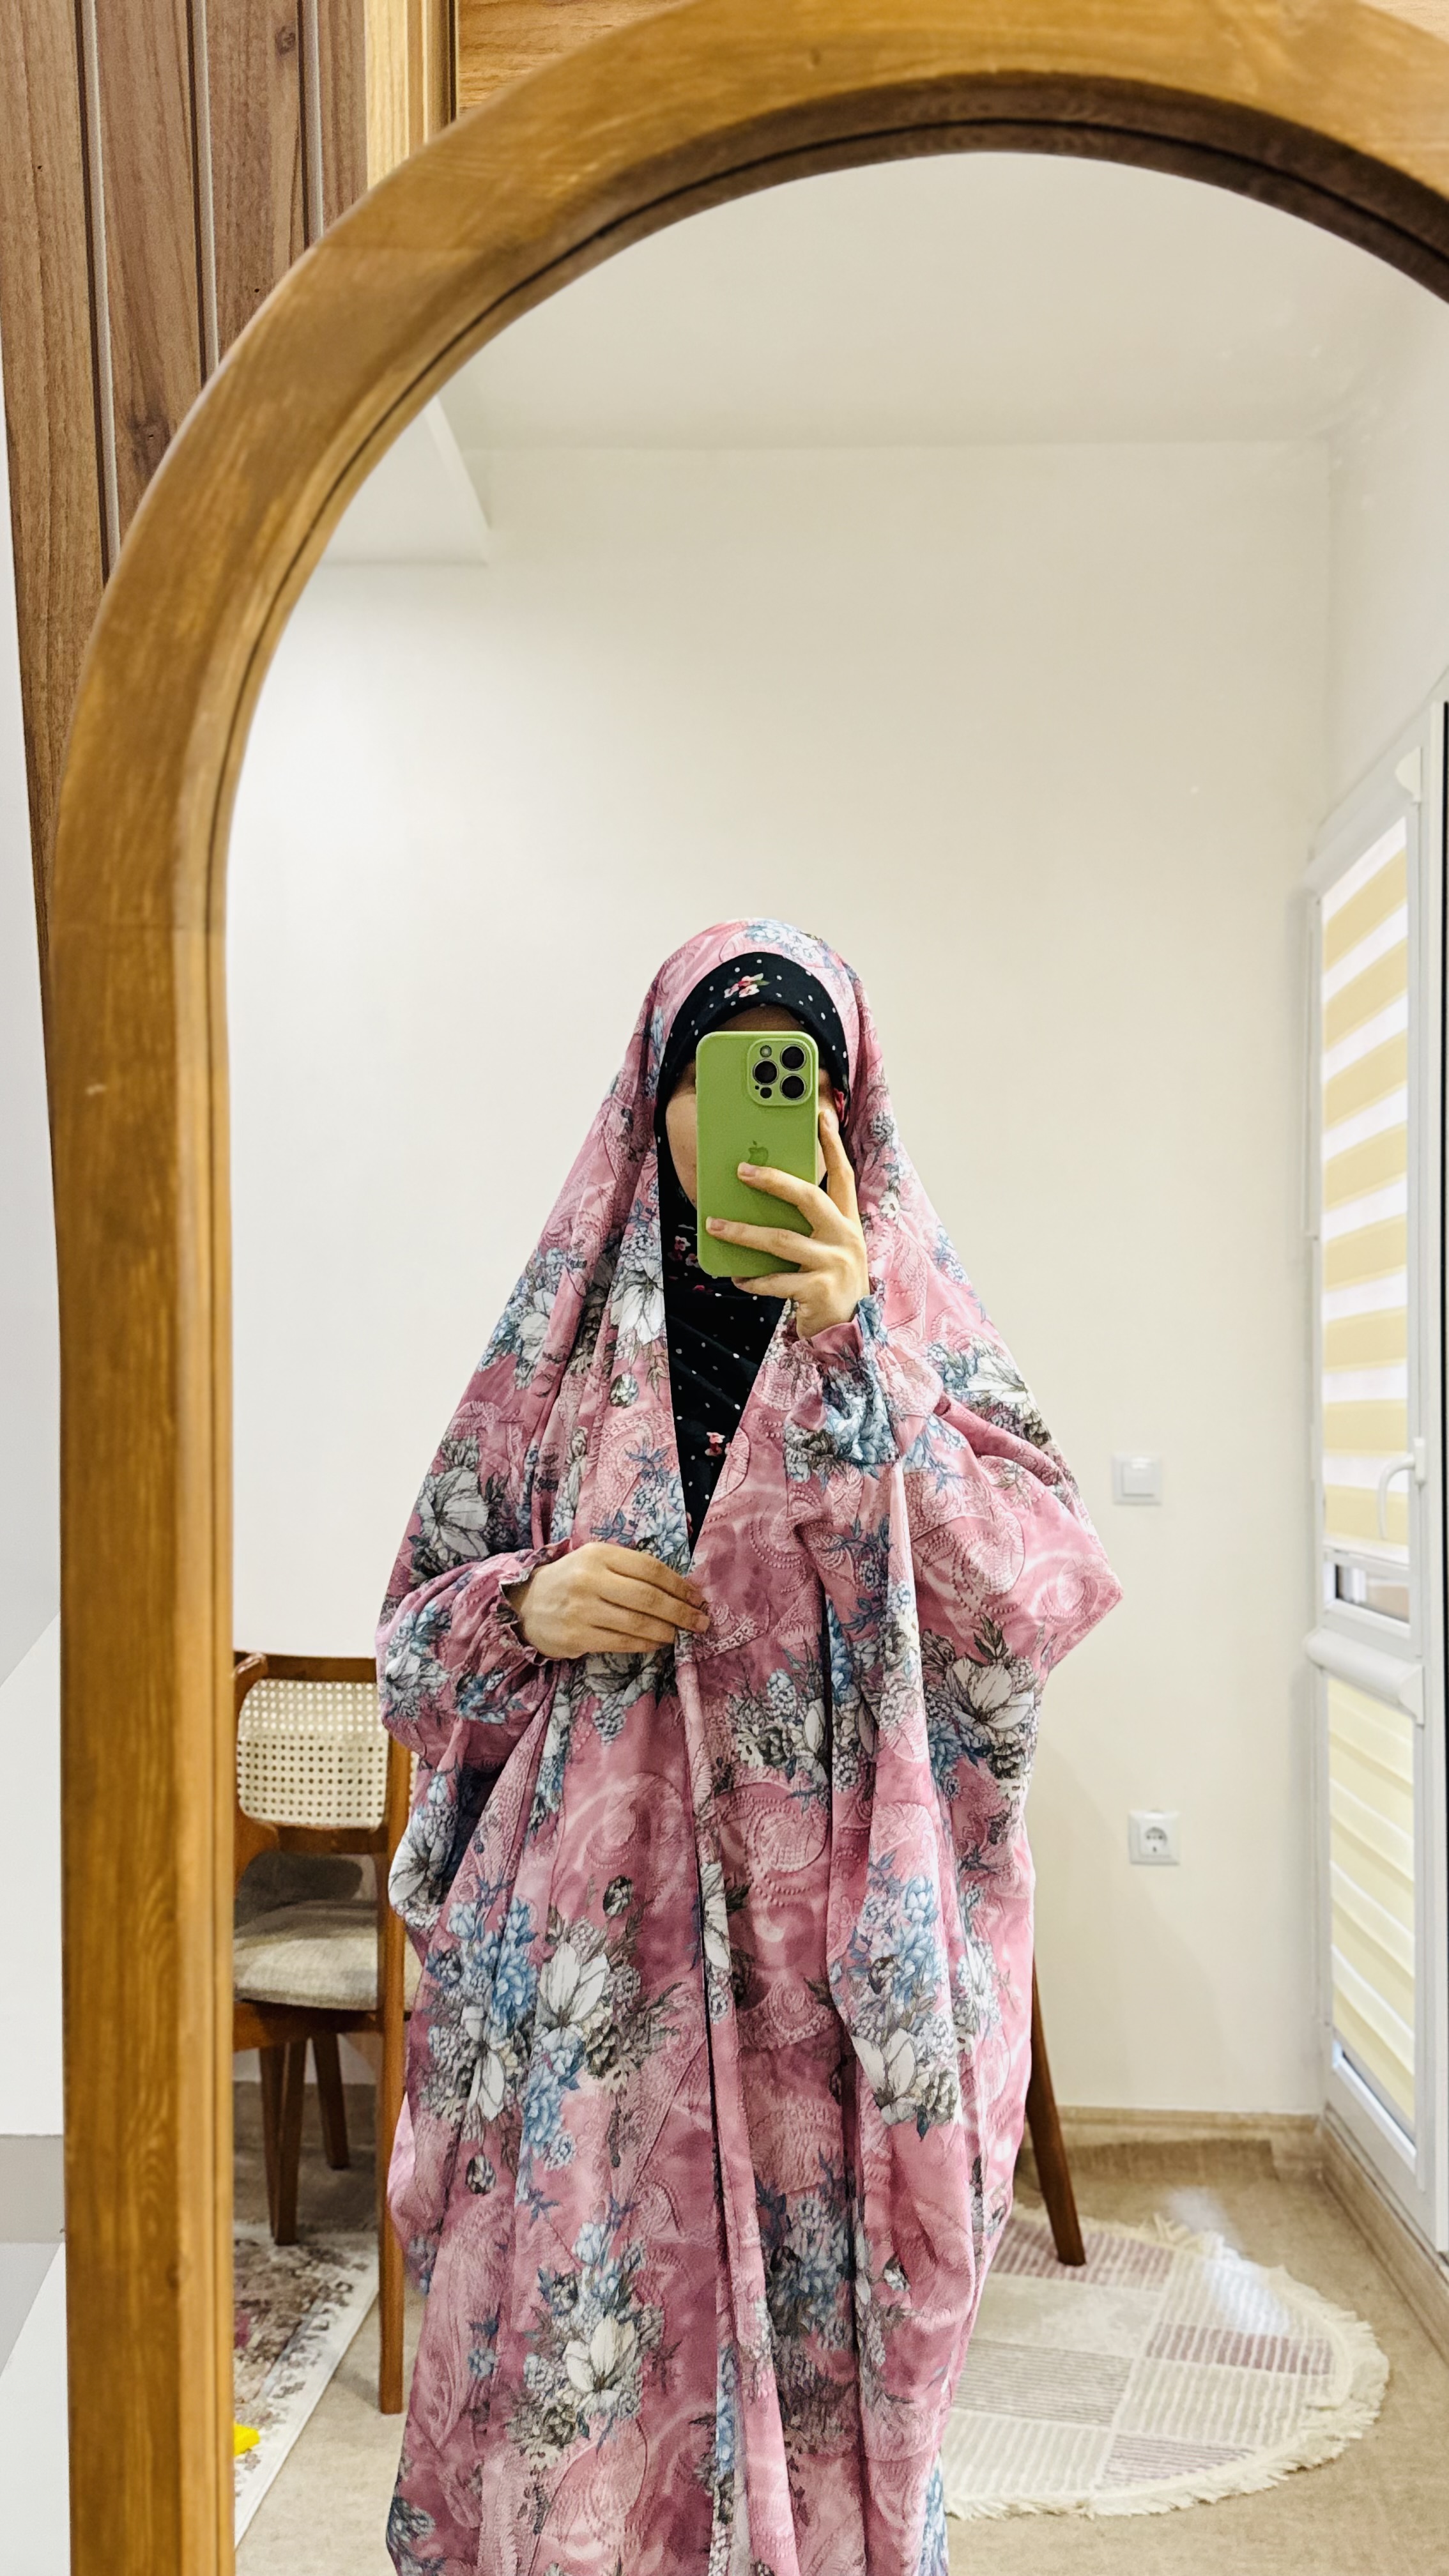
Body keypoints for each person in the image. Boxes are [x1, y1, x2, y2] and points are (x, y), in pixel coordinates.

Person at [378, 921, 1119, 2576]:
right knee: (584, 2377)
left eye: (791, 1073)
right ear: (651, 1096)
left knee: (823, 2360)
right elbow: (410, 1637)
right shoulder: (560, 1351)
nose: (744, 1116)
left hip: (825, 1982)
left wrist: (858, 1348)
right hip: (595, 1969)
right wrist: (527, 1601)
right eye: (713, 1073)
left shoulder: (913, 1334)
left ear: (847, 1105)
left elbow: (1030, 1600)